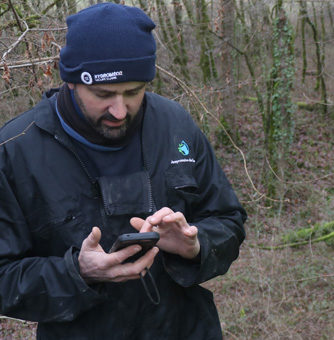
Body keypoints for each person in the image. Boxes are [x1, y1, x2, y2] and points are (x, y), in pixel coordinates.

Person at [0, 3, 246, 340]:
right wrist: (77, 272)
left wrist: (196, 245)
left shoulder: (175, 125)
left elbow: (229, 221)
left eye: (133, 92)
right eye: (103, 94)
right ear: (71, 81)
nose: (119, 110)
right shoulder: (16, 149)